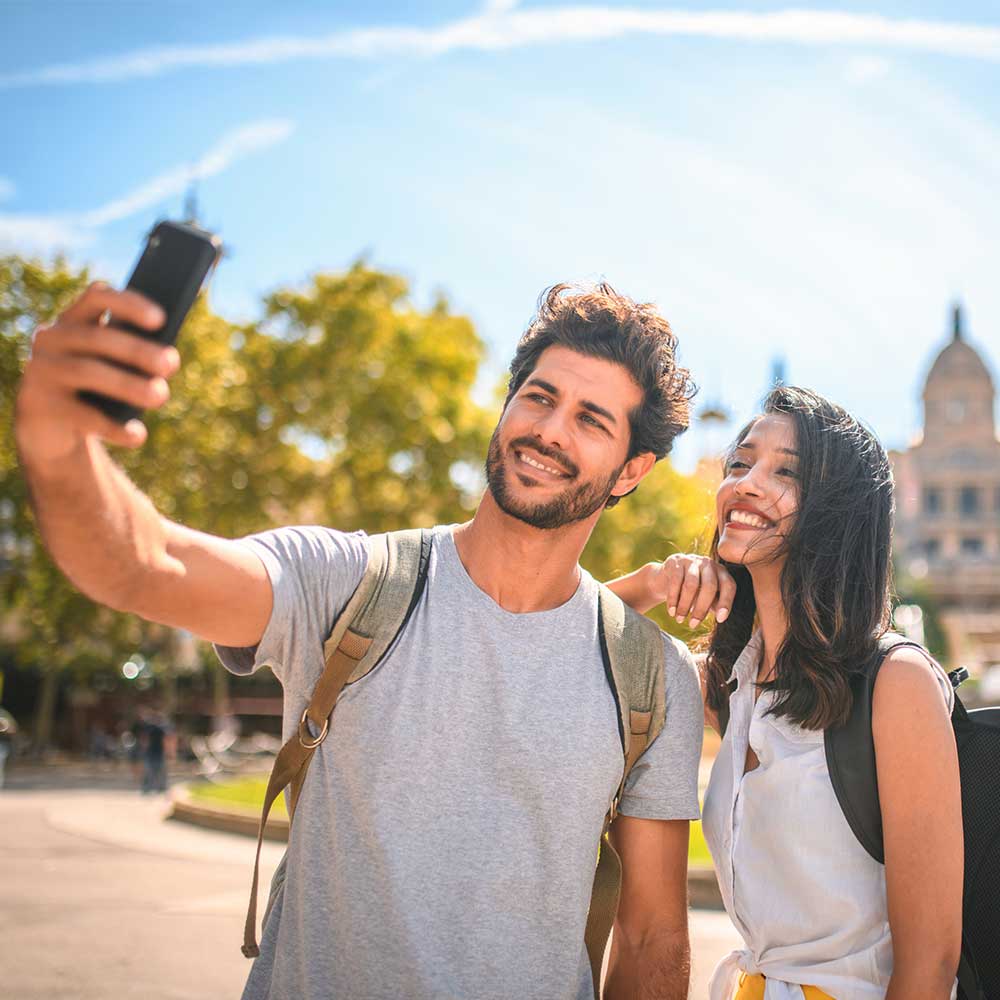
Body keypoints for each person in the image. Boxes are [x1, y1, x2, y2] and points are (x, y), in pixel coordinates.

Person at [15, 279, 730, 1000]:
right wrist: (57, 445)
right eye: (539, 398)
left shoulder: (650, 674)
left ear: (632, 471)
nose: (549, 431)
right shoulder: (349, 582)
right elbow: (145, 568)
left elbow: (651, 938)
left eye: (592, 420)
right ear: (509, 404)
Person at [623, 386, 963, 1000]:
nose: (746, 483)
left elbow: (930, 965)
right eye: (740, 463)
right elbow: (566, 633)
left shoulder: (896, 681)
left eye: (786, 472)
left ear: (837, 510)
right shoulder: (733, 684)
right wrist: (651, 583)